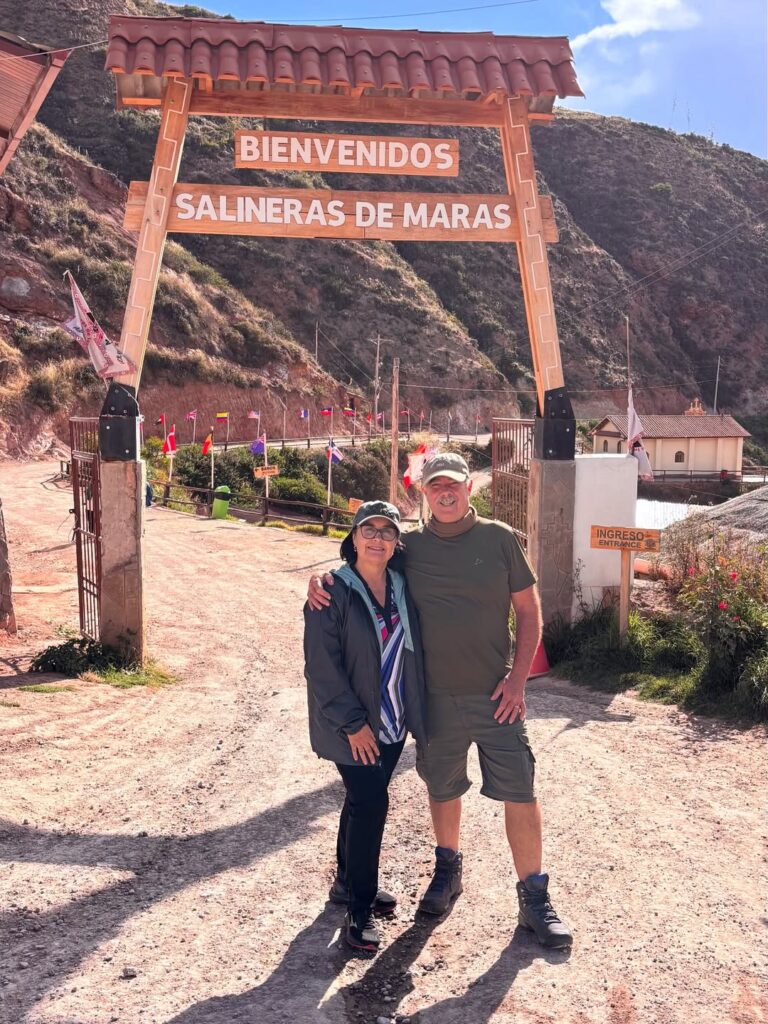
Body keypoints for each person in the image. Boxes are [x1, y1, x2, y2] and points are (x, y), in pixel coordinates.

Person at [308, 453, 572, 949]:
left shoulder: (499, 539)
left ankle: (534, 900)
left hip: (497, 695)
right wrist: (322, 580)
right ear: (424, 493)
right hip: (432, 701)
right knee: (443, 788)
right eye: (435, 486)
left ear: (470, 487)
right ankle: (447, 871)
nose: (445, 492)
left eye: (453, 484)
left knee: (520, 790)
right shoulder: (412, 549)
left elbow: (528, 610)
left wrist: (518, 679)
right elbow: (363, 562)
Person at [303, 500, 427, 956]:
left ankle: (346, 882)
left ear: (397, 542)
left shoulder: (402, 583)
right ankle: (359, 910)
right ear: (353, 538)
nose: (377, 538)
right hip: (352, 725)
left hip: (393, 720)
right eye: (368, 530)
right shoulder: (331, 591)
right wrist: (354, 724)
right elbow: (321, 668)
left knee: (361, 801)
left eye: (387, 531)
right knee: (372, 803)